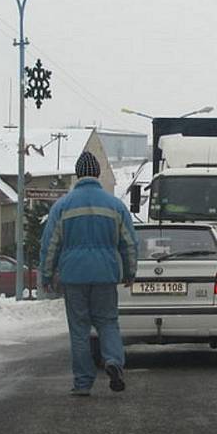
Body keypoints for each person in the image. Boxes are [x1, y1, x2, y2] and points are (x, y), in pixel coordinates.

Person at [40, 151, 139, 397]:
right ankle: (114, 362)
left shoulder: (62, 206)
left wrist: (46, 273)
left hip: (73, 276)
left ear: (78, 174)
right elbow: (129, 243)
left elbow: (50, 243)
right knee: (108, 323)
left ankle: (83, 382)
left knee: (80, 330)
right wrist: (129, 271)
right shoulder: (115, 205)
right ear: (97, 173)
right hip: (106, 273)